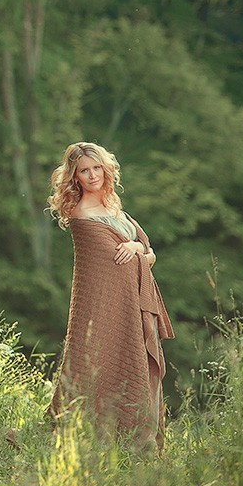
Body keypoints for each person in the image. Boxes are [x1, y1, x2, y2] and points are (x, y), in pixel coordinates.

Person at [46, 142, 174, 452]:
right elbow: (119, 265)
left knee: (135, 367)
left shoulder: (116, 209)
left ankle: (129, 442)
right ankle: (93, 440)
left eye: (96, 168)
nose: (92, 175)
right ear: (75, 178)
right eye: (84, 171)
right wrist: (141, 251)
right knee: (98, 364)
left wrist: (136, 247)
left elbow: (147, 253)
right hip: (106, 307)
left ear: (106, 169)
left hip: (134, 301)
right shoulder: (82, 216)